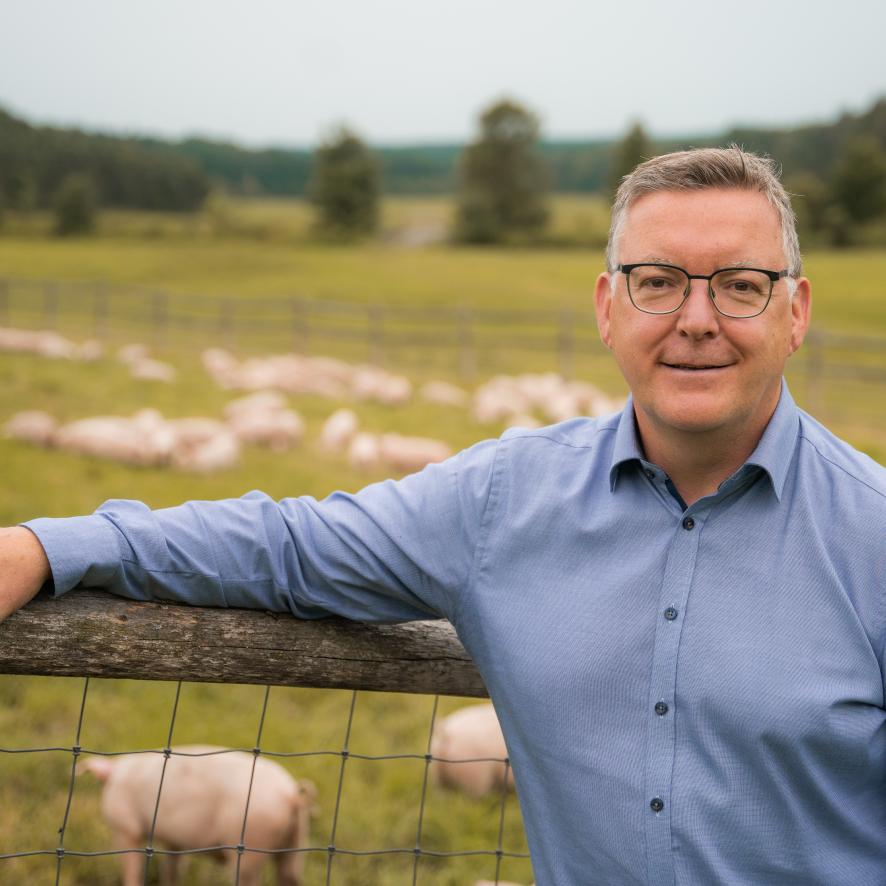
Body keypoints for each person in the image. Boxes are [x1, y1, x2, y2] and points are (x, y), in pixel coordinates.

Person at [1, 147, 884, 885]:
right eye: (658, 282)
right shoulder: (503, 501)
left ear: (796, 312)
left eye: (739, 285)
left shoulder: (873, 537)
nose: (696, 319)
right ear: (608, 310)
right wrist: (51, 543)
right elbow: (289, 543)